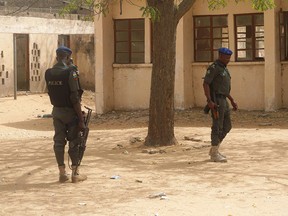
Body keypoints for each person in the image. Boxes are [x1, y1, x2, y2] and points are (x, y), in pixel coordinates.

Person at [45, 46, 87, 183]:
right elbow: (75, 97)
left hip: (56, 111)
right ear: (68, 58)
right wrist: (81, 119)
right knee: (75, 141)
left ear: (57, 57)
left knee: (58, 142)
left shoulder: (48, 73)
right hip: (70, 112)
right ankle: (75, 173)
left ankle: (62, 173)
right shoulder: (71, 72)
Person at [203, 47, 238, 162]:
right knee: (217, 126)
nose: (228, 59)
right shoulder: (214, 68)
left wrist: (232, 100)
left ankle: (215, 148)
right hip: (216, 101)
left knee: (227, 126)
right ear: (220, 56)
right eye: (226, 57)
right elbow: (206, 84)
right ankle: (214, 153)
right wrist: (209, 101)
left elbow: (224, 89)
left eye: (229, 58)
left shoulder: (224, 69)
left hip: (224, 100)